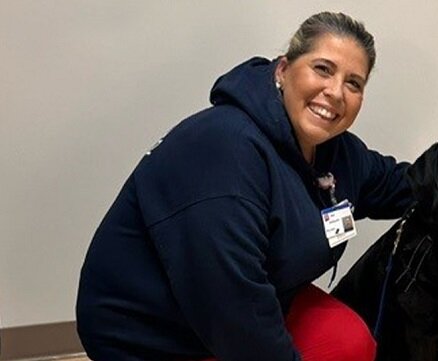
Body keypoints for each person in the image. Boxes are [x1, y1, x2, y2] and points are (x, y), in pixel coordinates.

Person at [76, 11, 414, 361]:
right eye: (323, 69)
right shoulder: (223, 149)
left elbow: (404, 185)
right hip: (151, 334)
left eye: (353, 83)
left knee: (350, 342)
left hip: (247, 302)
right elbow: (232, 306)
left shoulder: (339, 153)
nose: (335, 92)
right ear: (283, 70)